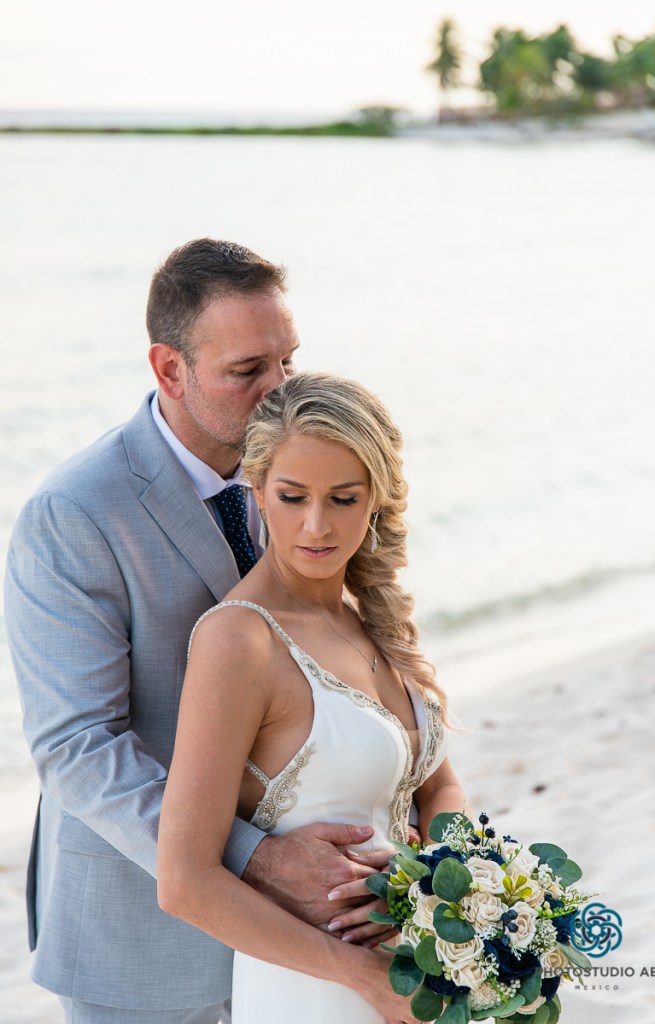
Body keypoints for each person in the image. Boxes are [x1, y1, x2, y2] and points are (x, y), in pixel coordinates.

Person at [4, 240, 401, 1024]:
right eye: (247, 370)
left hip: (307, 935)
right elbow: (77, 747)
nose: (280, 389)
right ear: (170, 369)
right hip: (141, 939)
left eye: (287, 360)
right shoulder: (74, 513)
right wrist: (260, 860)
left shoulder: (302, 478)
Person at [157, 371, 471, 1024]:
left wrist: (436, 887)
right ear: (257, 490)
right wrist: (365, 978)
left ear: (375, 498)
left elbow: (441, 788)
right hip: (318, 990)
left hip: (421, 970)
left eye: (343, 498)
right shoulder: (239, 640)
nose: (317, 525)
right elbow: (185, 883)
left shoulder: (373, 618)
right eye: (292, 496)